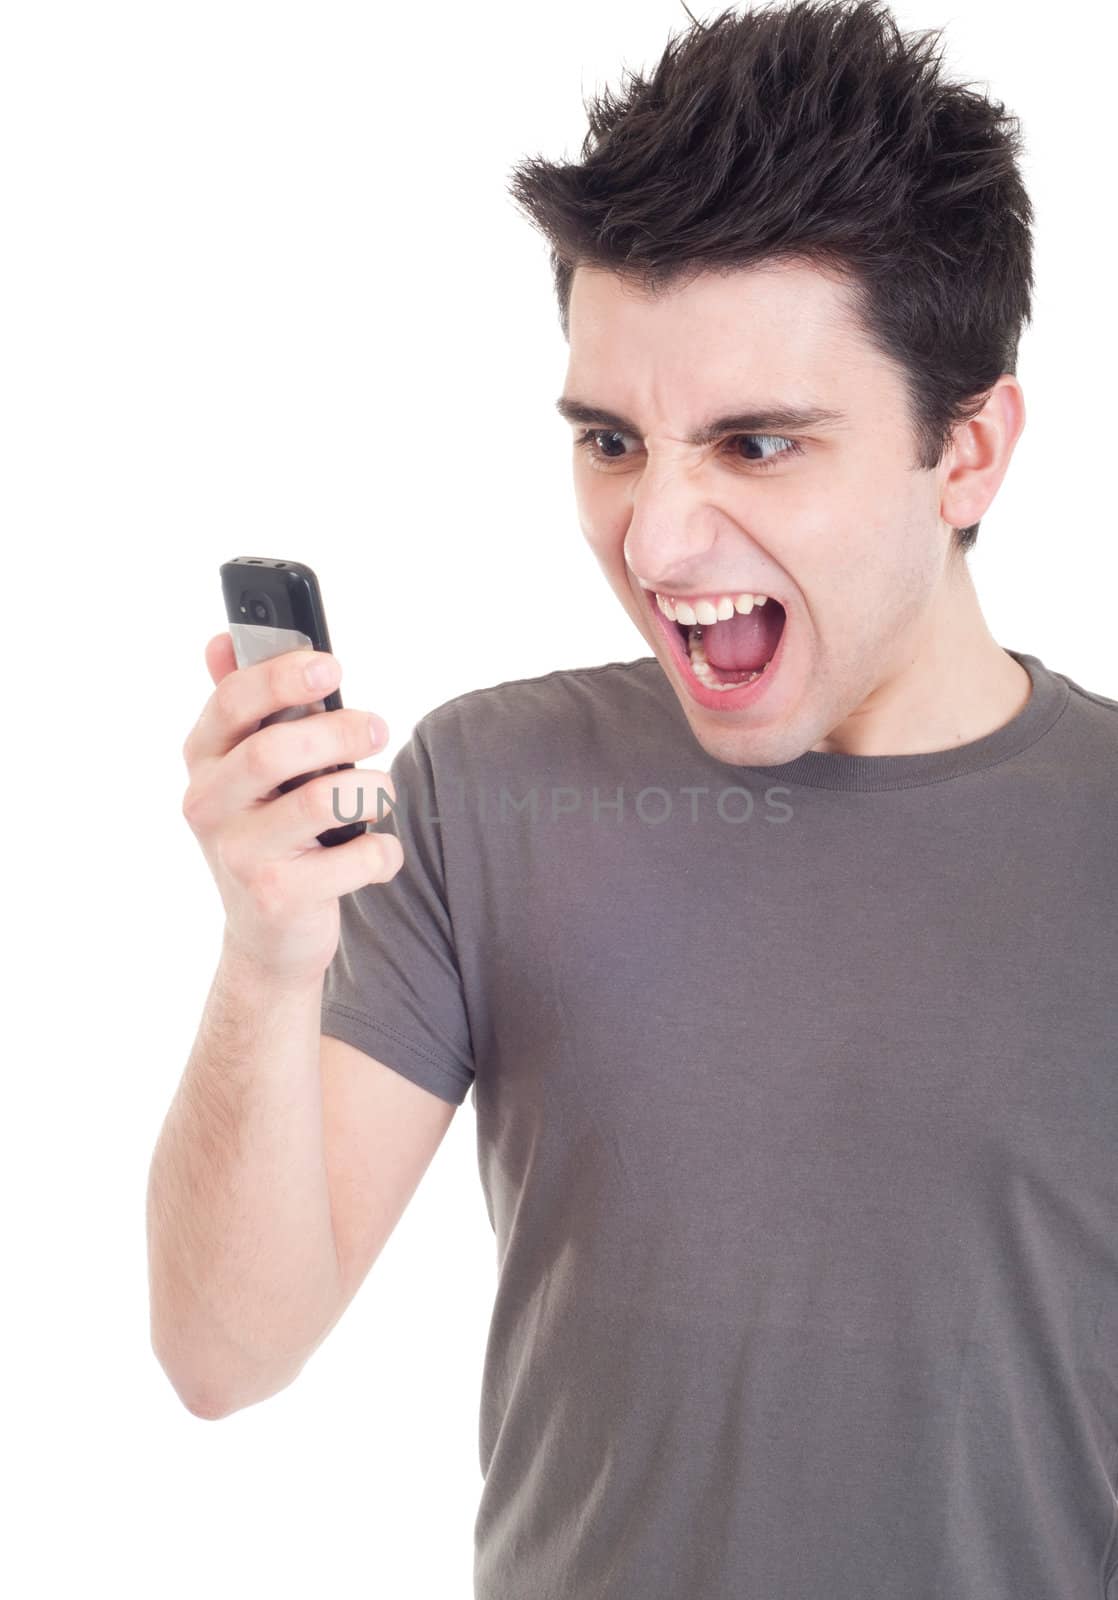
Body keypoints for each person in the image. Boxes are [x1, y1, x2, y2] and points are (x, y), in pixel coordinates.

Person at [149, 1, 1118, 1595]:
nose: (656, 543)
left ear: (967, 451)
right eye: (611, 440)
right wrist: (265, 962)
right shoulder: (482, 790)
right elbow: (221, 1356)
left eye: (756, 443)